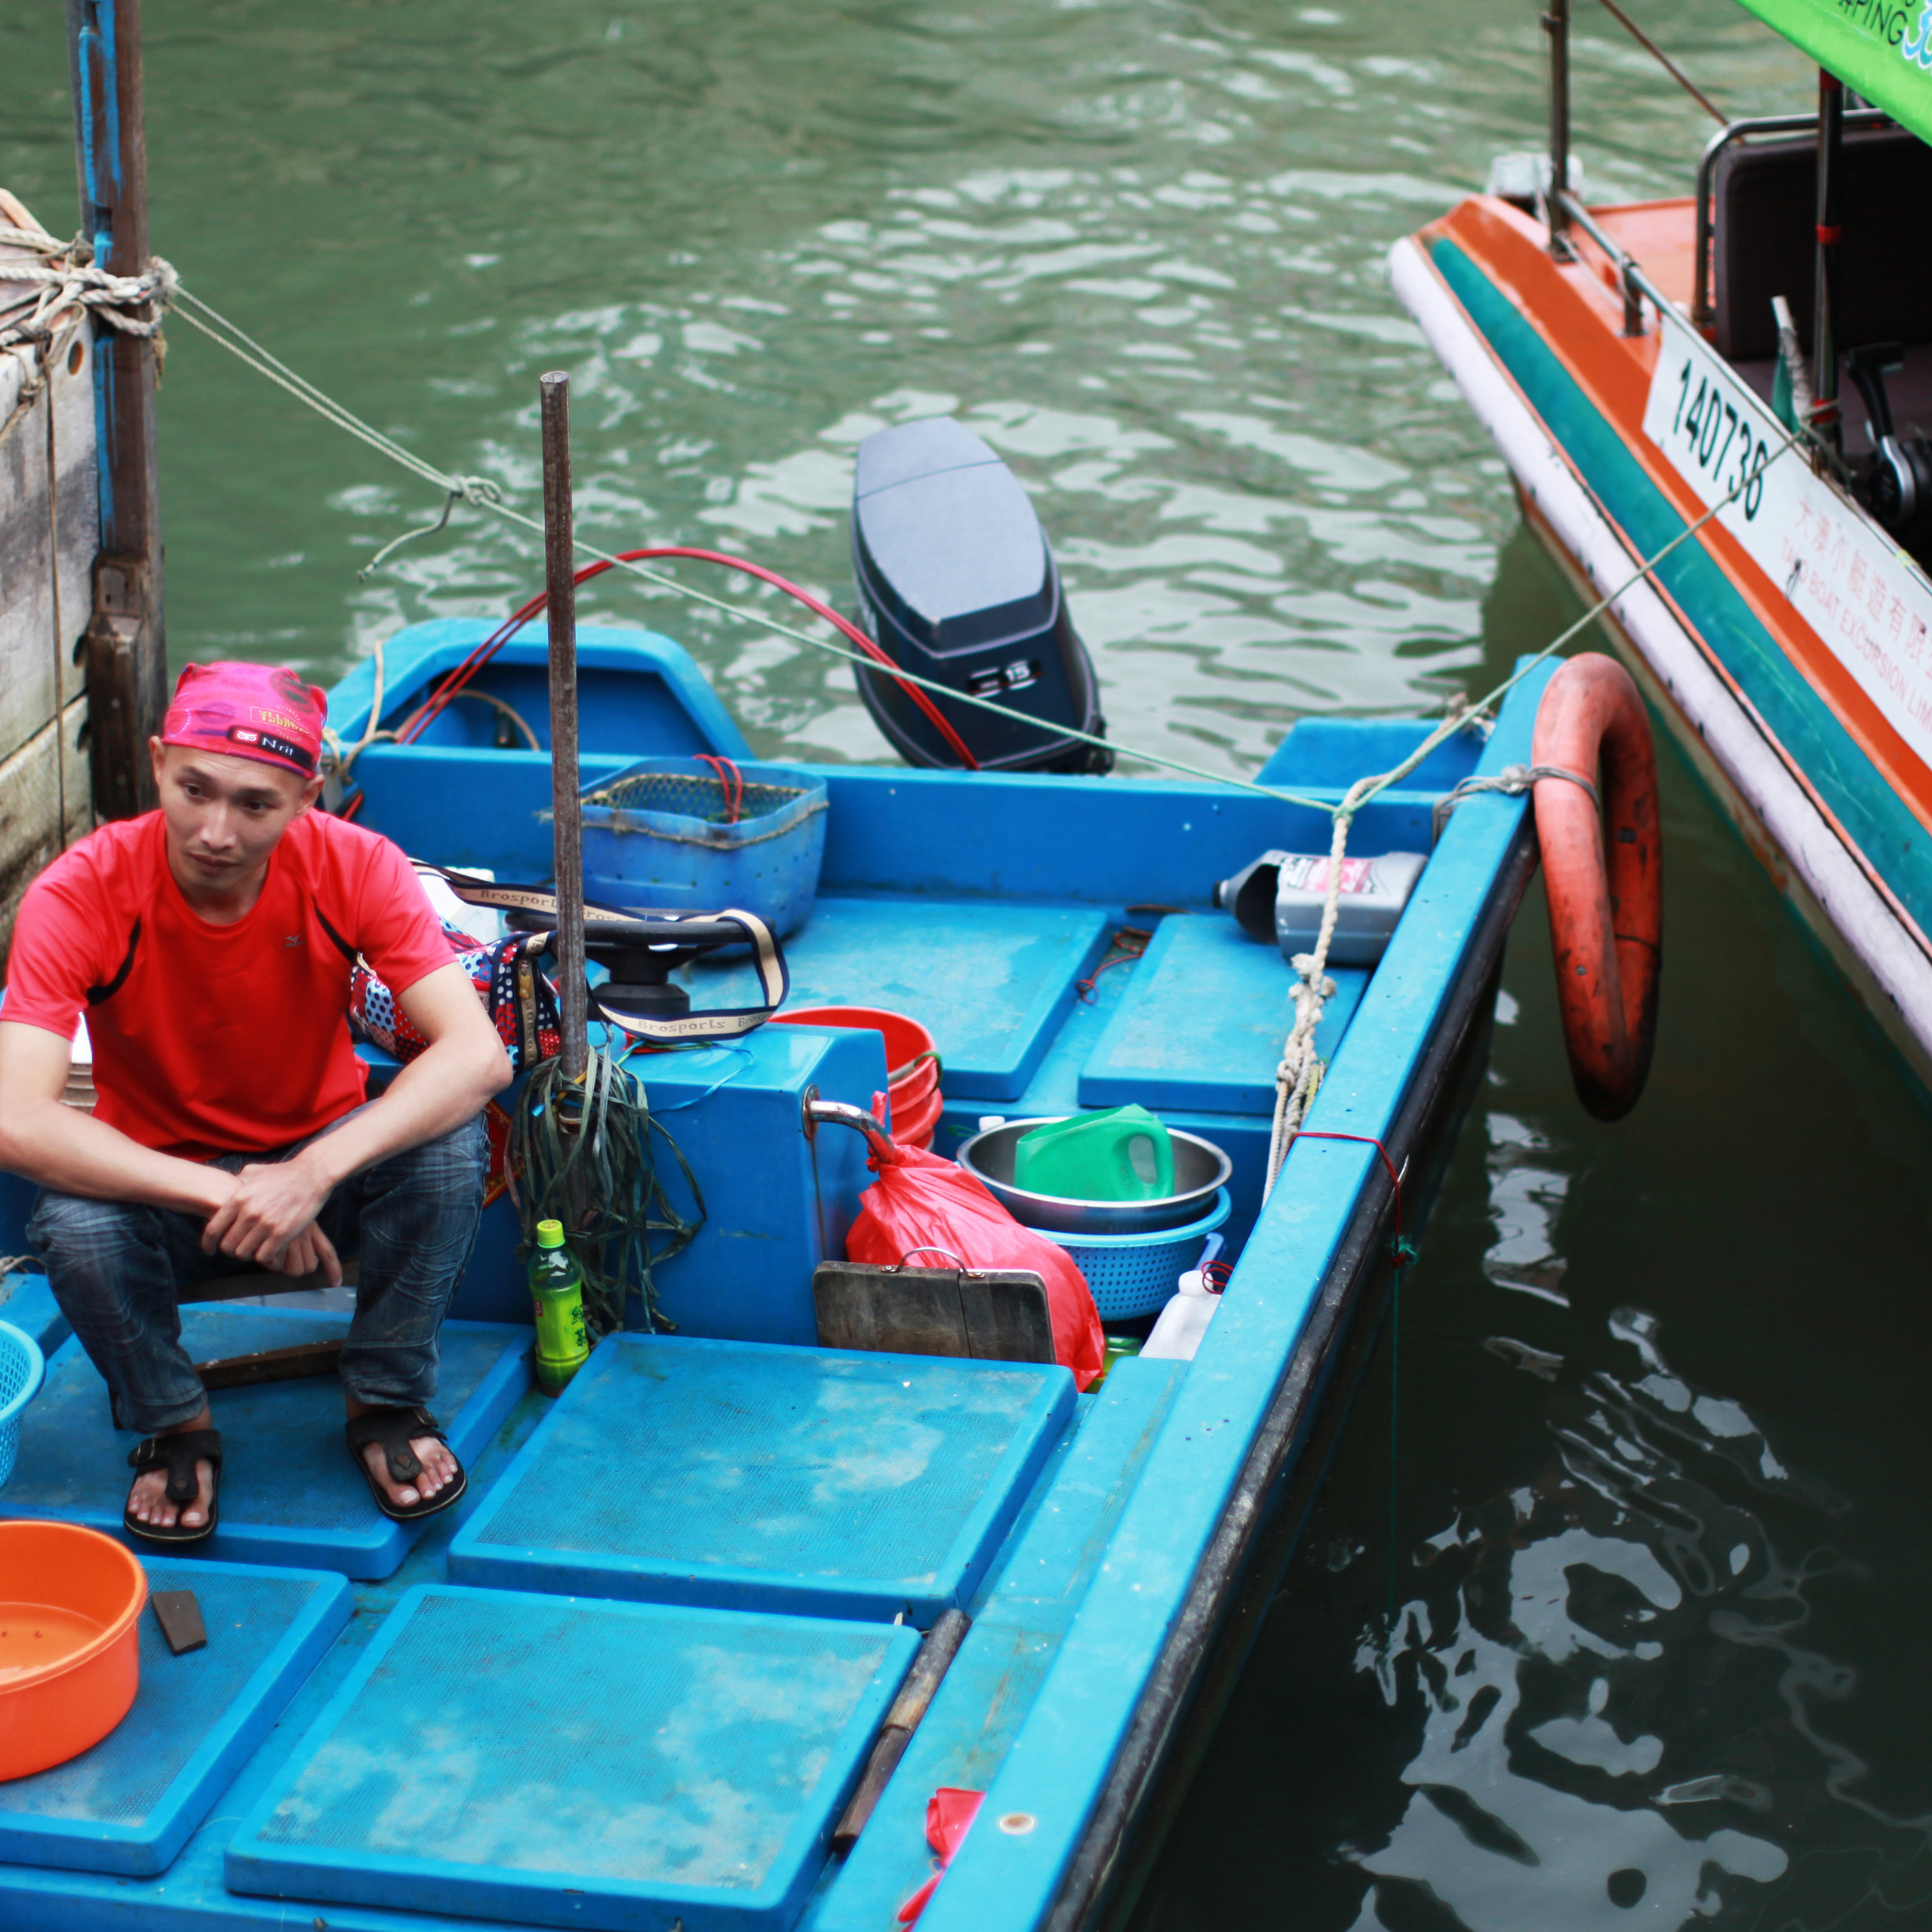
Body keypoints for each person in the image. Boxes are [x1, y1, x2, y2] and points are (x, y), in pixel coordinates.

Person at [0, 660, 512, 1543]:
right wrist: (230, 1193)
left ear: (306, 798)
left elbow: (477, 1054)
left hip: (324, 1163)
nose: (214, 830)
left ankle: (385, 1396)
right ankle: (175, 1420)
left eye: (255, 804)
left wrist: (309, 1173)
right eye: (194, 789)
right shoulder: (80, 892)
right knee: (73, 1224)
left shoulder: (356, 865)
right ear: (157, 763)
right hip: (167, 1190)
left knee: (451, 1143)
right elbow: (15, 1116)